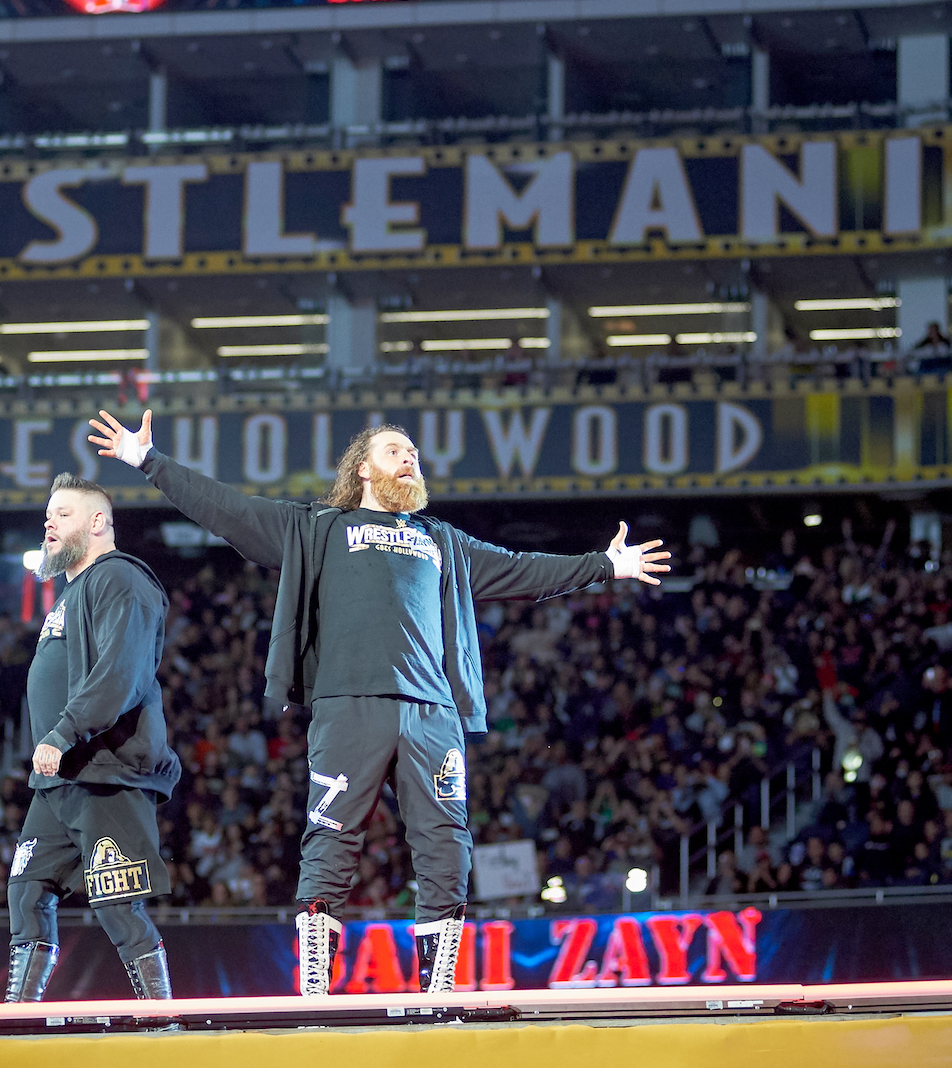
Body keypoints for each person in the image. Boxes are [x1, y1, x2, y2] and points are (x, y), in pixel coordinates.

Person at [87, 411, 668, 995]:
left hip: (433, 713)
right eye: (396, 450)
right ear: (363, 468)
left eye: (414, 451)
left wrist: (606, 565)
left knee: (447, 843)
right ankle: (315, 987)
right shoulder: (317, 527)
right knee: (331, 835)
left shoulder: (444, 541)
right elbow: (228, 509)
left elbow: (522, 570)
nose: (410, 457)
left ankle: (437, 992)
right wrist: (149, 461)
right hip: (349, 707)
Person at [5, 472, 181, 1003]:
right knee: (28, 888)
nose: (48, 522)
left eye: (62, 513)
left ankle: (162, 1022)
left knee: (116, 904)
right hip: (61, 777)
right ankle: (17, 1019)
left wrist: (63, 732)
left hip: (105, 768)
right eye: (47, 515)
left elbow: (120, 673)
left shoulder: (120, 578)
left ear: (98, 521)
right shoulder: (71, 591)